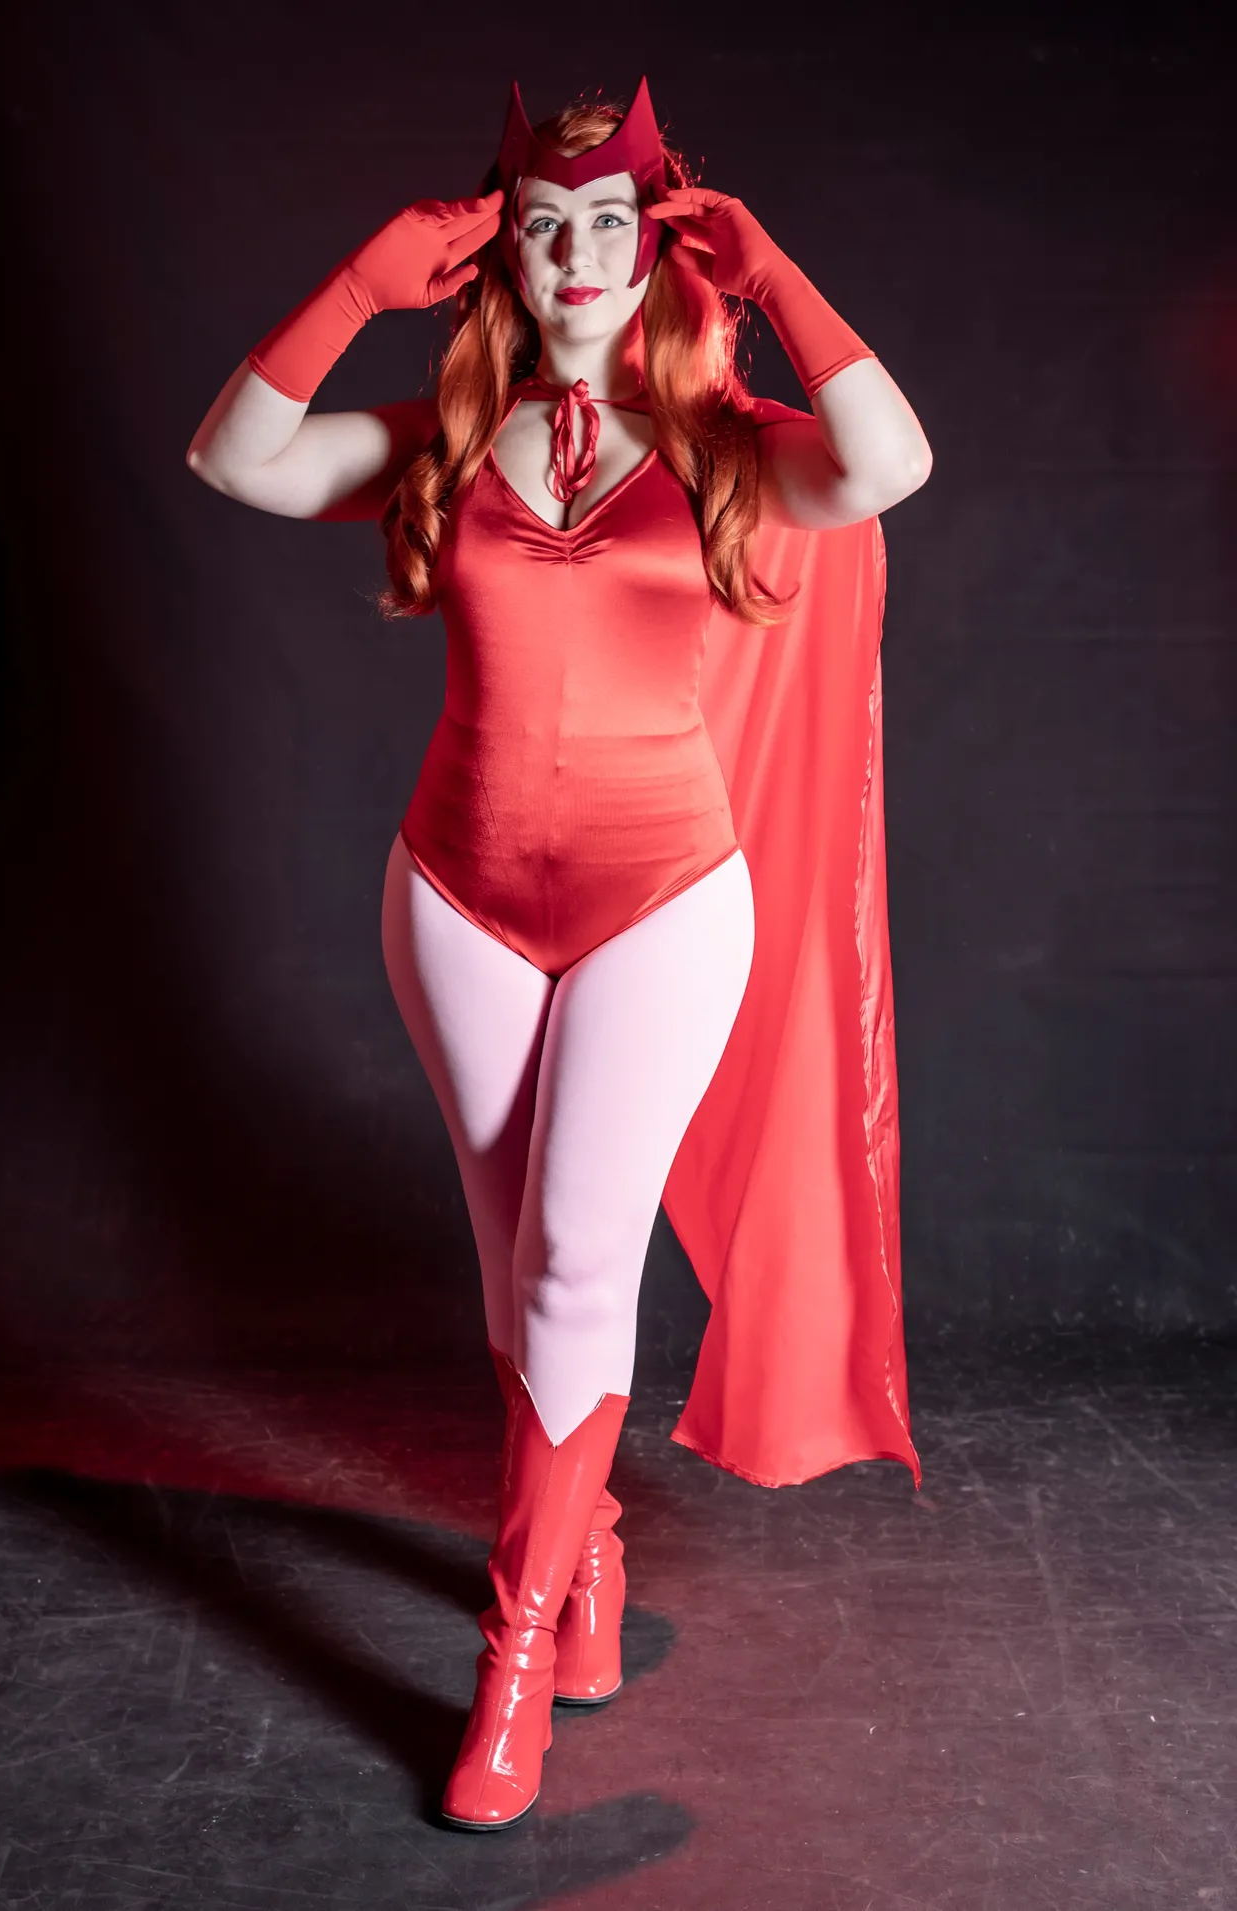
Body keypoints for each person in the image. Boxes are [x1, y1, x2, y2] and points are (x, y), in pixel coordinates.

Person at [187, 76, 932, 1833]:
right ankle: (581, 1542)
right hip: (455, 899)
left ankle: (513, 1652)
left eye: (610, 221)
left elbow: (891, 461)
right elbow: (236, 457)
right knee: (515, 1264)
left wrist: (774, 273)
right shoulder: (448, 437)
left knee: (583, 1258)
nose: (579, 252)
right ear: (505, 253)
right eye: (544, 224)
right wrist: (361, 284)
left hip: (662, 897)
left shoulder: (734, 445)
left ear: (656, 247)